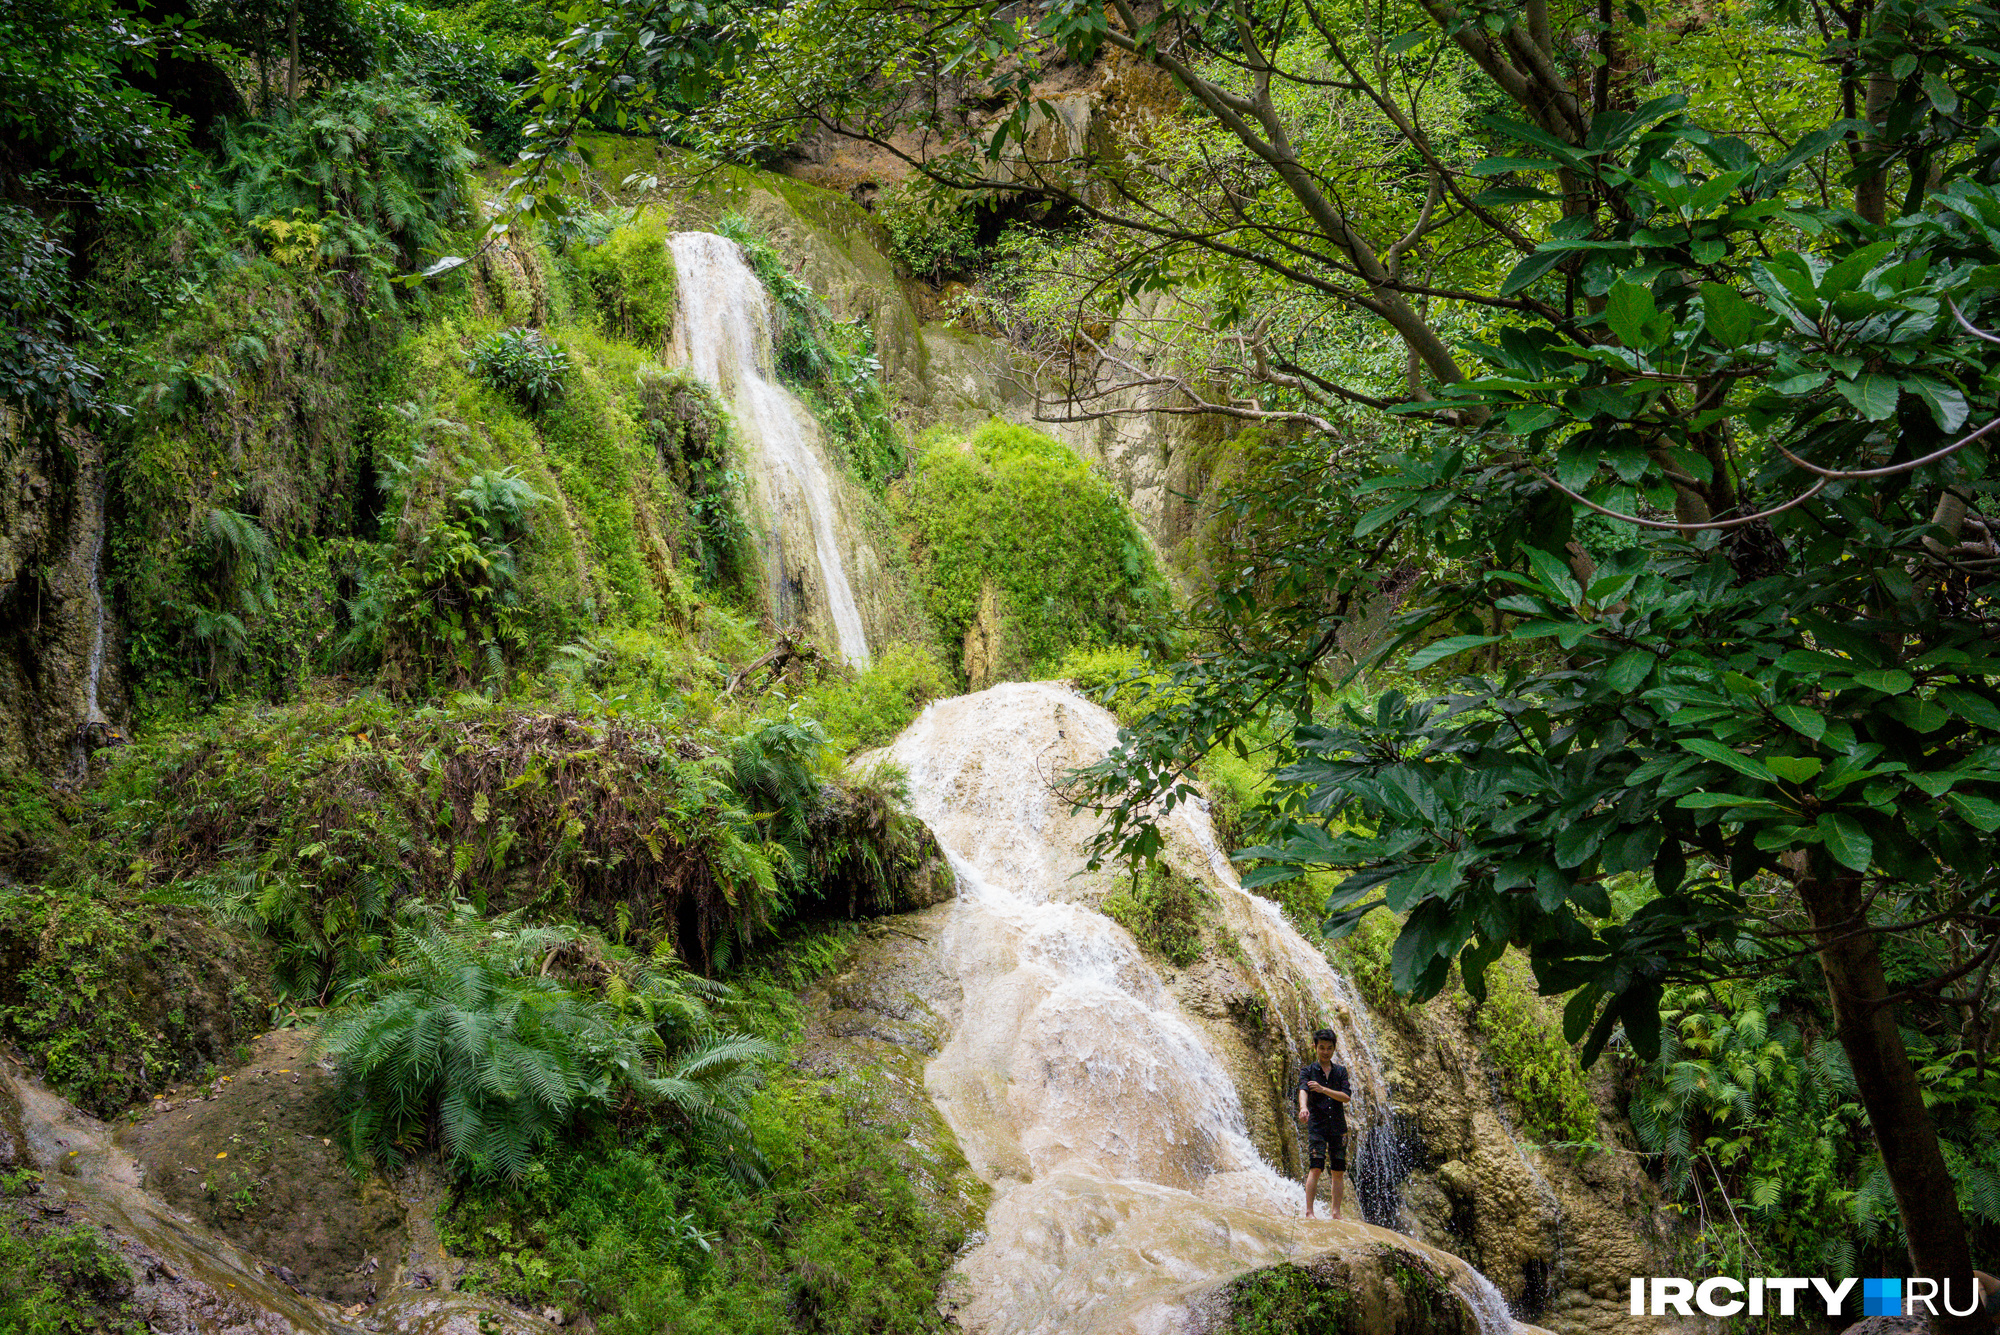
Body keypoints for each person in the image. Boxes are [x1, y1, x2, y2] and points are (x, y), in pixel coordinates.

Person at [1296, 1026, 1352, 1220]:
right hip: (1317, 1125)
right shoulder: (1308, 1071)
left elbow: (1346, 1097)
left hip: (1338, 1126)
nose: (1325, 1052)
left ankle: (1336, 1213)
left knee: (1338, 1171)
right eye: (1322, 1048)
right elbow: (1303, 1090)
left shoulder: (1341, 1072)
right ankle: (1309, 1212)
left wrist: (1323, 1089)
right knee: (1316, 1167)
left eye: (1329, 1048)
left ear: (1334, 1048)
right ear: (1315, 1047)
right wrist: (1303, 1108)